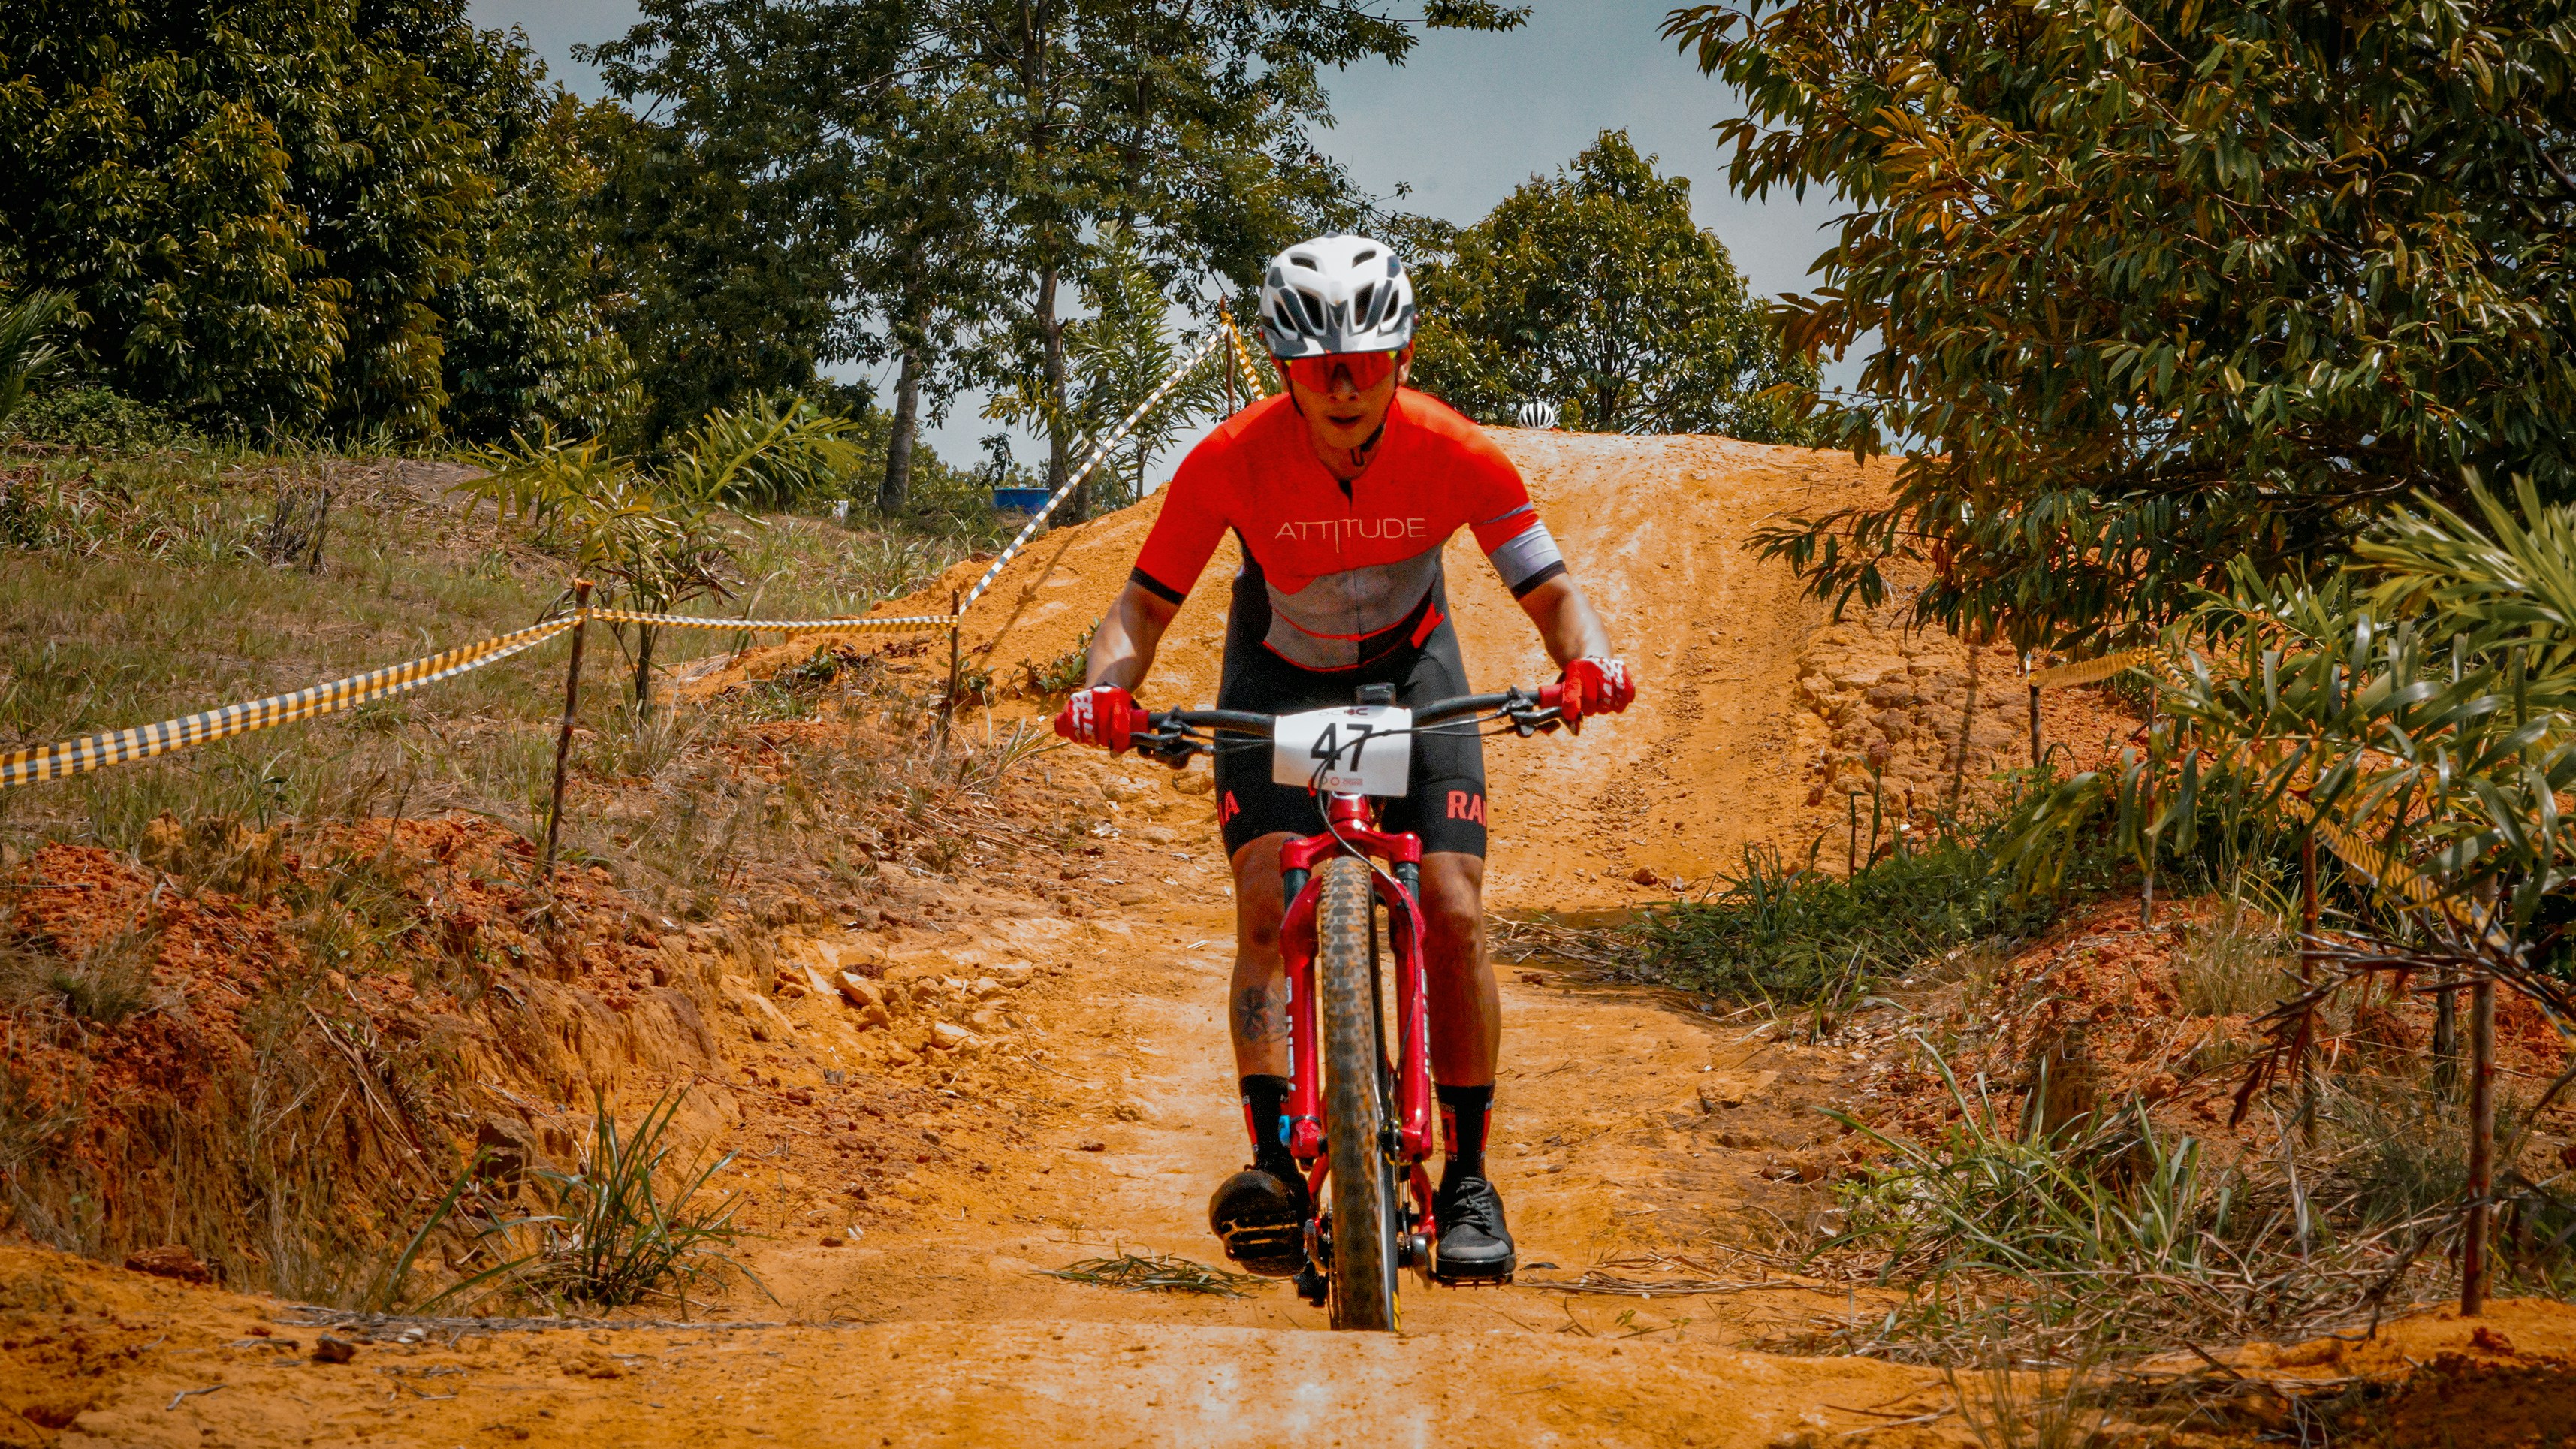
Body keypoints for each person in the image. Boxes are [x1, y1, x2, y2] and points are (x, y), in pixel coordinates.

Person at [1052, 234, 1635, 1282]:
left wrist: (1587, 662)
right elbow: (1141, 606)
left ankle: (1467, 1176)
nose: (1343, 386)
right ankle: (1273, 1161)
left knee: (1452, 906)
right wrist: (1107, 691)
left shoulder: (1456, 450)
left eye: (1365, 363)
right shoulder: (1228, 460)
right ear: (1283, 368)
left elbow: (1549, 591)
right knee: (1261, 905)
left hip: (1413, 678)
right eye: (1320, 369)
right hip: (1277, 679)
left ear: (1401, 358)